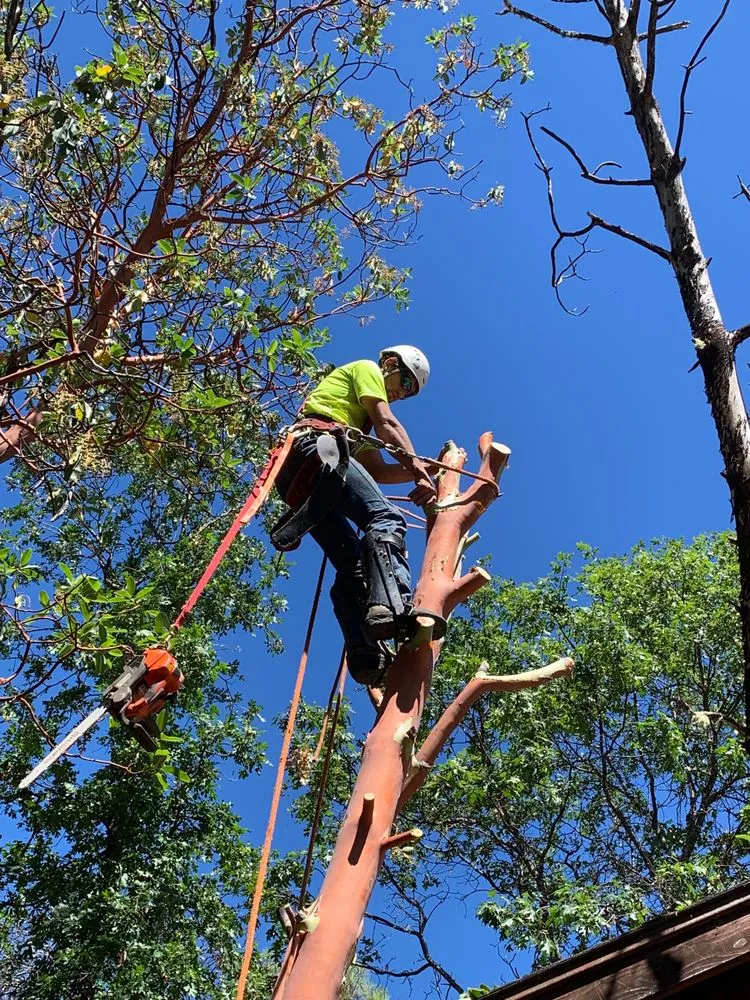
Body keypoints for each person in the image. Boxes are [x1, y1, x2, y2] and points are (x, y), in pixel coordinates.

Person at [274, 346, 436, 685]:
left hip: (297, 475)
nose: (401, 392)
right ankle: (393, 604)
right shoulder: (367, 369)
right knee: (386, 520)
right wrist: (420, 469)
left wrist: (423, 469)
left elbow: (375, 472)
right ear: (390, 363)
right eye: (404, 381)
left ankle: (364, 653)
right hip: (320, 446)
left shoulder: (352, 421)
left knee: (354, 565)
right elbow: (388, 423)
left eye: (409, 393)